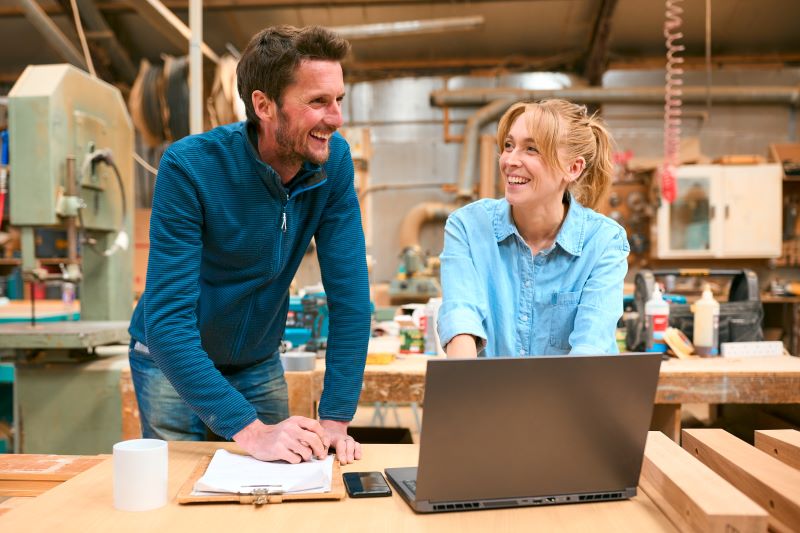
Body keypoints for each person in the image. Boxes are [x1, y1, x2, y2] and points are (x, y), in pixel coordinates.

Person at [127, 25, 371, 465]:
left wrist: (335, 419)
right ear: (263, 105)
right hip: (171, 363)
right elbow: (167, 323)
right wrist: (253, 432)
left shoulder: (333, 164)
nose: (336, 118)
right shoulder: (189, 168)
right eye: (318, 102)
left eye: (338, 100)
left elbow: (351, 301)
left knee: (279, 489)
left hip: (257, 363)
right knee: (176, 498)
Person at [438, 99, 629, 357]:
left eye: (531, 149)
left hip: (573, 394)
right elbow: (461, 317)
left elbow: (590, 349)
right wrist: (468, 389)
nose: (510, 160)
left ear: (573, 168)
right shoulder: (468, 227)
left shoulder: (605, 241)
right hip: (487, 393)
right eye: (509, 145)